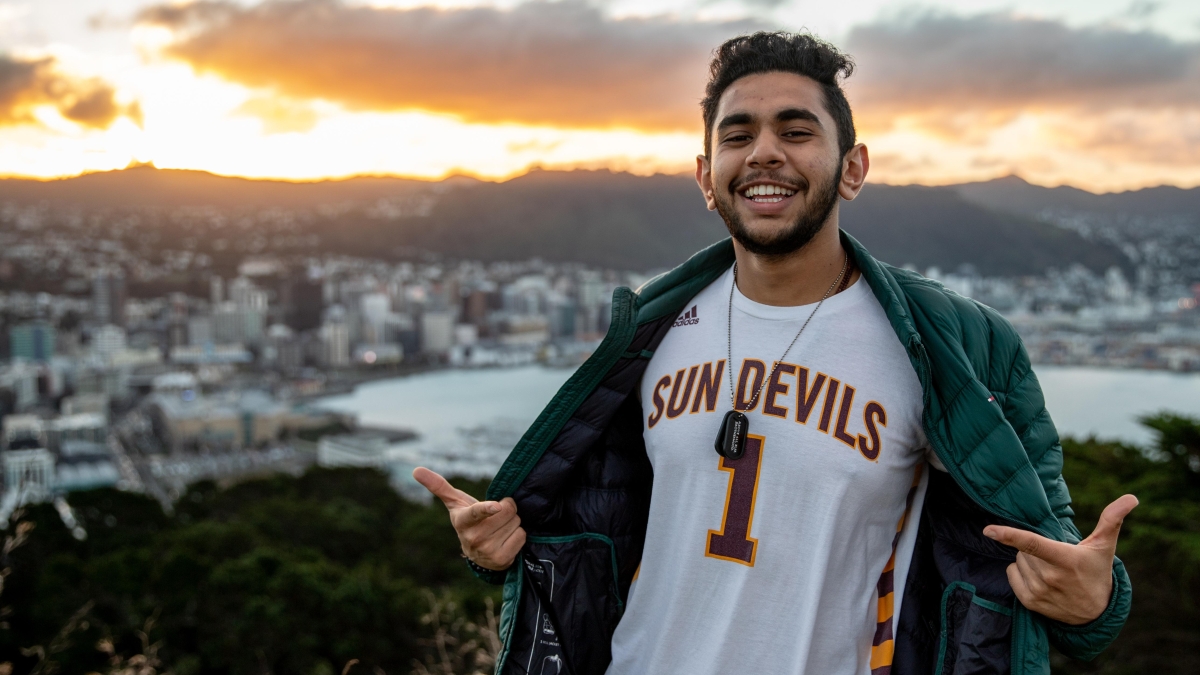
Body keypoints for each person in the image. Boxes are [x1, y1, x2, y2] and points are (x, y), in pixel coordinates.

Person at [414, 31, 1135, 675]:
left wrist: (1097, 599)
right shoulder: (648, 333)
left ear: (851, 169)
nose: (764, 152)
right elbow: (586, 532)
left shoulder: (955, 345)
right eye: (739, 135)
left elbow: (1052, 552)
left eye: (796, 131)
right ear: (706, 177)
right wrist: (497, 551)